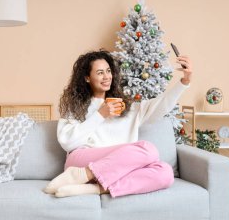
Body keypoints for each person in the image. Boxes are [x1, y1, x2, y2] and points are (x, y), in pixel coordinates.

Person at [44, 50, 192, 198]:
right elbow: (68, 142)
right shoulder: (75, 107)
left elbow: (161, 104)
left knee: (165, 172)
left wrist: (184, 81)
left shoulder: (127, 108)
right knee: (148, 149)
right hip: (81, 161)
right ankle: (81, 174)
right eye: (100, 72)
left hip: (115, 171)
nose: (107, 76)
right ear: (87, 78)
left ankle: (96, 188)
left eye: (108, 71)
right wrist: (101, 114)